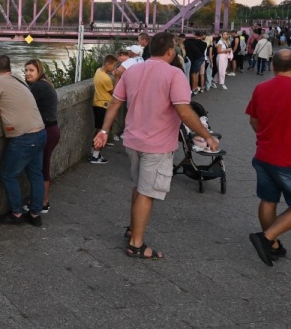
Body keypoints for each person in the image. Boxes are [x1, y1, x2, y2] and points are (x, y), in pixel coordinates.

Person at [93, 32, 220, 259]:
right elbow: (184, 111)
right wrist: (206, 134)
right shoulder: (174, 74)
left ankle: (133, 228)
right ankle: (136, 244)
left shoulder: (132, 71)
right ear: (171, 51)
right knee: (147, 192)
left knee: (139, 187)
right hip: (157, 144)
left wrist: (104, 130)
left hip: (132, 141)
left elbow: (114, 103)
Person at [0, 55, 47, 227]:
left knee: (7, 174)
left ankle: (17, 213)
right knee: (35, 175)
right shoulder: (17, 78)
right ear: (9, 68)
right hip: (40, 132)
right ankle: (35, 215)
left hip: (24, 137)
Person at [247, 49, 291, 266]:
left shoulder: (260, 88)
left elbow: (253, 121)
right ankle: (266, 239)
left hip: (264, 154)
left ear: (273, 66)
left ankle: (273, 245)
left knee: (268, 199)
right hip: (287, 158)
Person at [24, 59, 60, 212]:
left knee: (42, 168)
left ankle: (43, 203)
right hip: (51, 130)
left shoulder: (38, 87)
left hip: (47, 131)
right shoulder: (44, 83)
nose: (28, 73)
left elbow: (22, 105)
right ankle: (41, 201)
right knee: (41, 166)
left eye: (31, 70)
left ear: (39, 71)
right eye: (25, 70)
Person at [90, 54, 118, 164]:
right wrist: (117, 77)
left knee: (98, 129)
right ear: (107, 64)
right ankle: (95, 156)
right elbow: (115, 92)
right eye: (113, 65)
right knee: (102, 131)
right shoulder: (106, 78)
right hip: (104, 105)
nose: (114, 68)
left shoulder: (98, 71)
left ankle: (93, 152)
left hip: (97, 103)